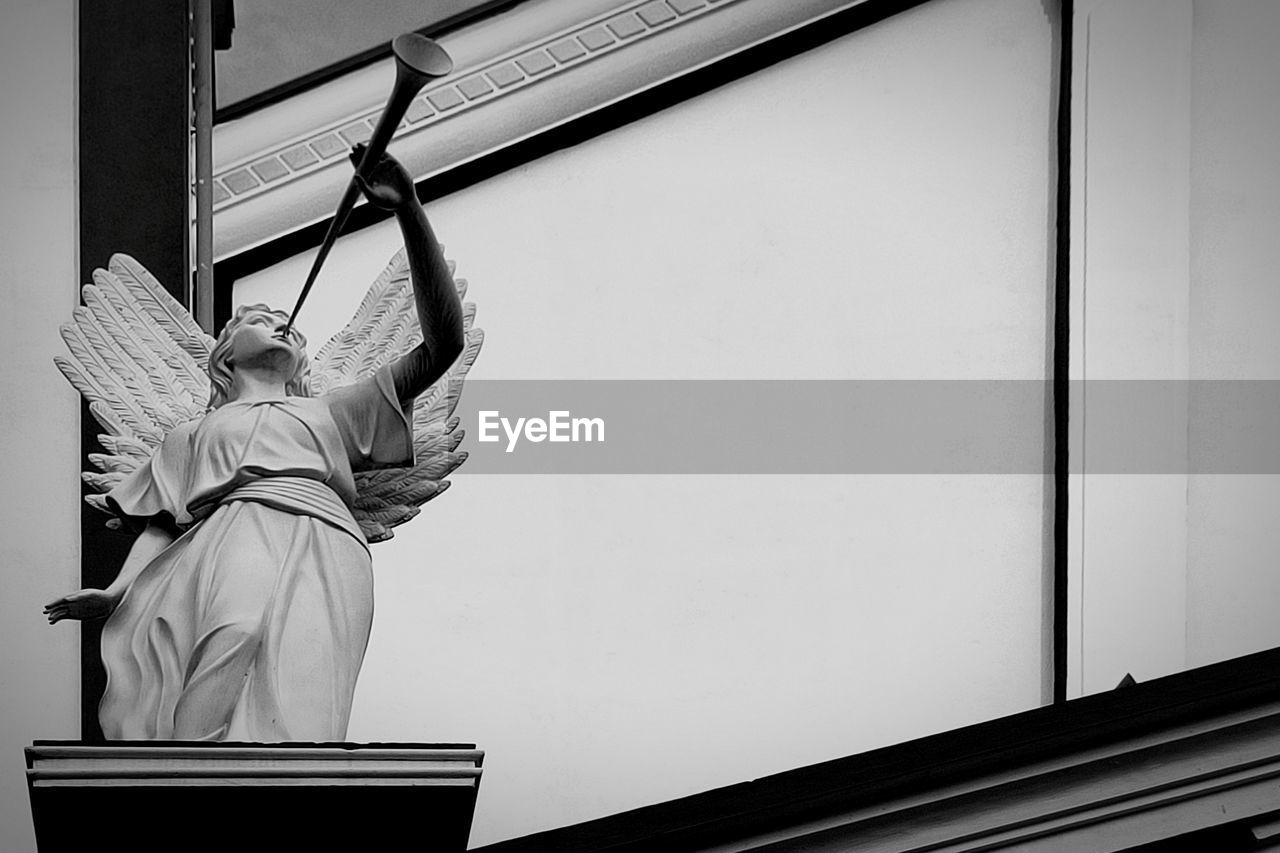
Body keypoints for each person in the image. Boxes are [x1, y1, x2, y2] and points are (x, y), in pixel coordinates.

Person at [43, 151, 464, 741]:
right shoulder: (191, 432)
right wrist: (116, 594)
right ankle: (189, 771)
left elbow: (441, 346)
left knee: (306, 673)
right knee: (232, 630)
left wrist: (410, 213)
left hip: (326, 537)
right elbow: (162, 524)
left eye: (282, 319)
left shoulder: (331, 411)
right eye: (257, 318)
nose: (278, 321)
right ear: (223, 355)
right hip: (232, 529)